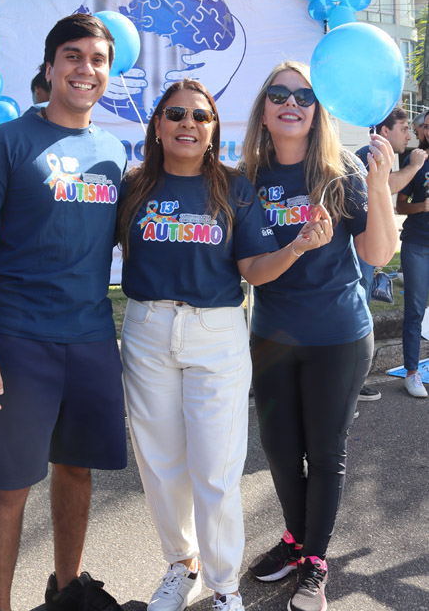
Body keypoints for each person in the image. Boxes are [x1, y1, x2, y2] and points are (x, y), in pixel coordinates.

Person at [117, 78, 332, 611]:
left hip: (215, 333)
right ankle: (181, 564)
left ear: (213, 129)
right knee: (160, 464)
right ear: (158, 125)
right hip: (147, 329)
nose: (188, 124)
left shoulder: (234, 188)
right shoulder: (134, 185)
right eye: (175, 114)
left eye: (200, 116)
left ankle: (224, 587)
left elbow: (254, 269)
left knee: (215, 469)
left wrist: (297, 246)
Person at [0, 13, 127, 611]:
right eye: (73, 56)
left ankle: (67, 590)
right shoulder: (5, 142)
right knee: (9, 485)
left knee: (76, 470)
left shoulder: (113, 152)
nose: (86, 69)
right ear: (50, 66)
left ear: (109, 73)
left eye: (98, 59)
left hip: (92, 337)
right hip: (18, 341)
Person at [241, 61, 397, 611]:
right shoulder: (247, 179)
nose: (292, 103)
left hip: (338, 336)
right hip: (273, 337)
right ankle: (296, 537)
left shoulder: (341, 172)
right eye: (279, 94)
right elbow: (250, 268)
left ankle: (314, 562)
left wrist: (379, 185)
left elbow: (378, 253)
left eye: (305, 96)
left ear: (318, 111)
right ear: (264, 109)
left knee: (324, 452)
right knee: (280, 449)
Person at [355, 106, 427, 401]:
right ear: (385, 131)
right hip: (377, 247)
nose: (410, 135)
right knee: (360, 313)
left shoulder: (382, 154)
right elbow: (386, 189)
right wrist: (414, 168)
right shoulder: (371, 153)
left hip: (368, 249)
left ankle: (353, 385)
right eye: (405, 128)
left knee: (361, 311)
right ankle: (352, 386)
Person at [396, 108, 429, 398]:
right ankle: (411, 372)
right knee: (415, 310)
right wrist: (422, 206)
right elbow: (400, 205)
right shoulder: (416, 160)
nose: (427, 131)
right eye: (426, 126)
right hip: (418, 245)